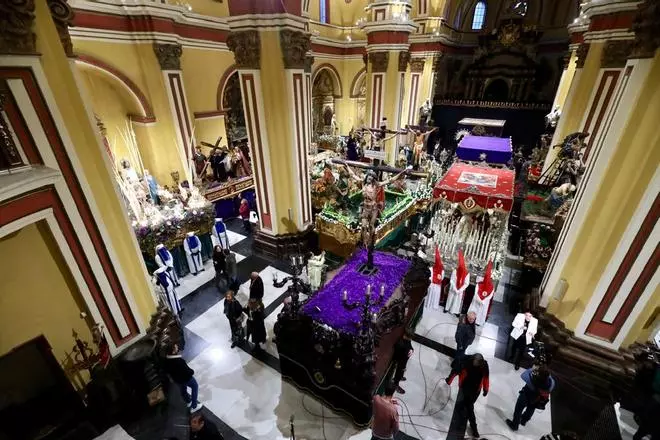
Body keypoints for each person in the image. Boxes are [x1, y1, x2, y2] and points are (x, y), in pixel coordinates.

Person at [506, 365, 556, 431]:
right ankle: (524, 421)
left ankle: (514, 425)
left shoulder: (531, 381)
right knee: (531, 408)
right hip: (536, 399)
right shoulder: (551, 384)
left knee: (518, 410)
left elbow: (523, 375)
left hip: (526, 396)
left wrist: (532, 369)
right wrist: (546, 373)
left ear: (538, 374)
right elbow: (550, 379)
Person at [455, 353, 490, 438]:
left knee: (468, 406)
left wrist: (486, 389)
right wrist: (460, 384)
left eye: (478, 362)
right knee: (468, 408)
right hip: (467, 388)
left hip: (475, 391)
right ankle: (472, 427)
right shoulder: (468, 363)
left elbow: (486, 378)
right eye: (475, 361)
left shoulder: (484, 366)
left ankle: (473, 427)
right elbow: (461, 374)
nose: (475, 363)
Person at [163, 344, 202, 411]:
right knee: (195, 386)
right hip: (186, 378)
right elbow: (188, 372)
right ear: (173, 352)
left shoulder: (166, 361)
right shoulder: (179, 361)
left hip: (177, 380)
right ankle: (194, 406)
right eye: (175, 347)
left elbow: (167, 371)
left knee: (183, 390)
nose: (177, 347)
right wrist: (192, 371)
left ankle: (188, 401)